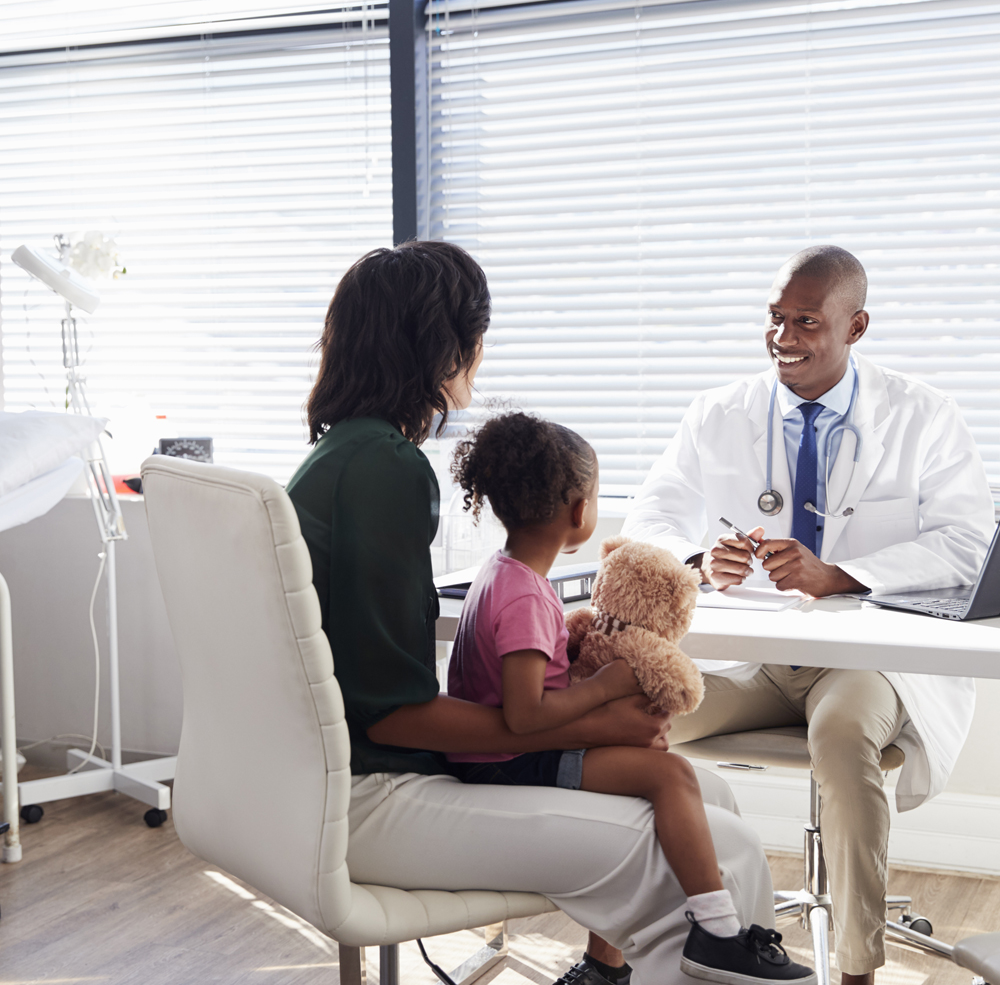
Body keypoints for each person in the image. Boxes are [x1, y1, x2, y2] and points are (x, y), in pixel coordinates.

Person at [286, 241, 776, 985]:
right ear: (455, 349)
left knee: (711, 795)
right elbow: (391, 717)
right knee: (726, 846)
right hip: (374, 795)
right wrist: (599, 718)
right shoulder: (382, 470)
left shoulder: (339, 459)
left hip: (335, 782)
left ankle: (609, 972)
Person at [622, 245, 995, 985]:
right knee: (634, 719)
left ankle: (856, 969)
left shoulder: (923, 414)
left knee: (841, 736)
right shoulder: (719, 412)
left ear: (855, 326)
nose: (783, 338)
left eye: (806, 322)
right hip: (754, 656)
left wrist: (843, 574)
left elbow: (967, 543)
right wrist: (700, 560)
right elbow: (650, 515)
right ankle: (653, 942)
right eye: (774, 318)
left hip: (863, 658)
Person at [445, 411, 816, 985]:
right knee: (671, 778)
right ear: (580, 511)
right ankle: (717, 933)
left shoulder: (504, 575)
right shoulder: (525, 597)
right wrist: (608, 686)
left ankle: (610, 964)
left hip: (507, 756)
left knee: (668, 774)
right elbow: (523, 716)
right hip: (507, 766)